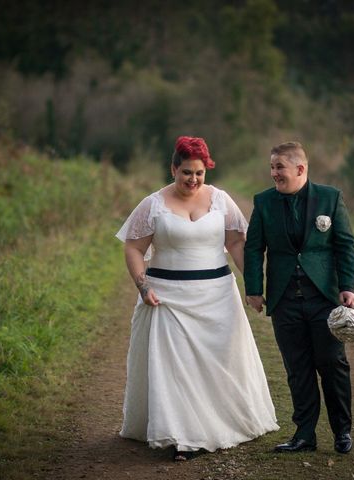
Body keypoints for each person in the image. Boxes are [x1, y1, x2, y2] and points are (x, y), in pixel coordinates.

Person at [116, 136, 279, 461]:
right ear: (173, 169)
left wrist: (253, 286)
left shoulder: (220, 200)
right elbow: (133, 248)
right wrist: (142, 286)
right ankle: (183, 436)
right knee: (178, 367)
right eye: (186, 172)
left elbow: (235, 243)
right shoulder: (153, 204)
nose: (193, 180)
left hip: (216, 295)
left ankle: (215, 423)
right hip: (167, 298)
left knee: (215, 362)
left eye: (199, 174)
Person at [243, 141, 354, 454]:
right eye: (272, 167)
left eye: (279, 167)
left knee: (332, 363)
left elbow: (345, 245)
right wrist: (254, 288)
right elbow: (254, 247)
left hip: (324, 297)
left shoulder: (329, 198)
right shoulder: (263, 202)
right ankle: (304, 434)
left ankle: (342, 431)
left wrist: (348, 286)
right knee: (297, 368)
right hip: (284, 299)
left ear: (300, 169)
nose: (274, 174)